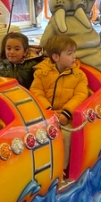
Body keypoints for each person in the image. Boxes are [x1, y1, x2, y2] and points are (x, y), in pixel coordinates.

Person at [31, 35, 89, 170]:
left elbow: (80, 96)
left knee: (65, 136)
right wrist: (48, 110)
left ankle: (60, 169)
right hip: (46, 114)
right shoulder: (41, 72)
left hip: (66, 117)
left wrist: (66, 113)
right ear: (56, 57)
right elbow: (36, 91)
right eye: (69, 53)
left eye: (74, 52)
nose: (74, 56)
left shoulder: (79, 76)